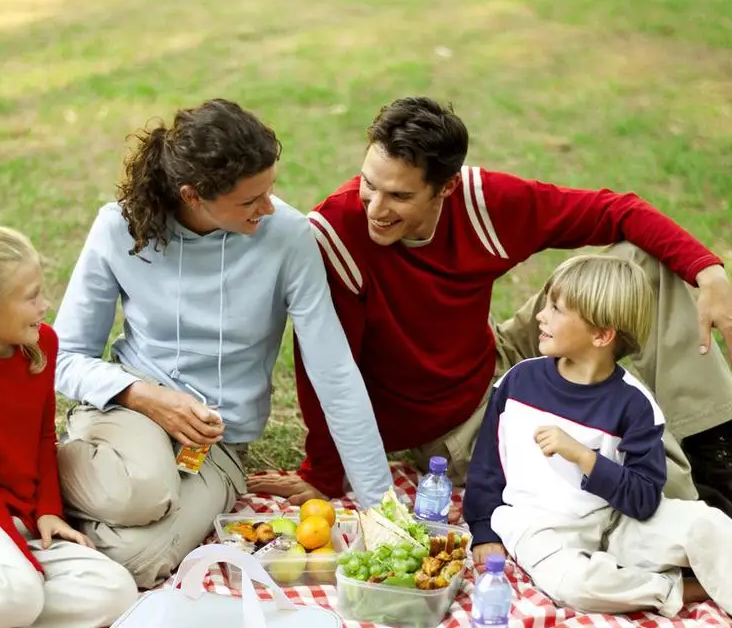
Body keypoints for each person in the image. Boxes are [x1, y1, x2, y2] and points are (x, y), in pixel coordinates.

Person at [249, 96, 732, 515]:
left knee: (644, 258)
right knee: (597, 452)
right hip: (452, 424)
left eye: (399, 195)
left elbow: (616, 210)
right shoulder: (337, 235)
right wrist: (324, 473)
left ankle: (714, 443)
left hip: (496, 356)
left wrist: (709, 272)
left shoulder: (483, 204)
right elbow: (327, 369)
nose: (375, 207)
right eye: (368, 184)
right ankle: (688, 509)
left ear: (446, 189)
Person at [54, 99, 391, 588]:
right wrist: (144, 396)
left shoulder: (289, 238)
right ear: (193, 195)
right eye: (251, 199)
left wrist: (380, 507)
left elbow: (334, 370)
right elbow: (64, 357)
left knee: (139, 562)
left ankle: (67, 516)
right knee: (143, 491)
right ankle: (36, 476)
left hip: (216, 445)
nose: (268, 207)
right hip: (131, 411)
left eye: (270, 189)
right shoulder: (120, 228)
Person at [463, 254, 731, 617]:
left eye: (557, 310)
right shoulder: (518, 383)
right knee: (576, 587)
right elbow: (485, 469)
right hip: (538, 529)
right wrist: (484, 531)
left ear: (602, 334)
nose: (541, 316)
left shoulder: (635, 405)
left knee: (709, 522)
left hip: (617, 523)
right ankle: (678, 589)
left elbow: (644, 501)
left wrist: (584, 457)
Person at [0, 223, 137, 628]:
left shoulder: (40, 344)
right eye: (31, 297)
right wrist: (27, 565)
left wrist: (47, 511)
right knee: (20, 591)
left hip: (15, 516)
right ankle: (3, 597)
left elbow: (44, 437)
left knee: (116, 590)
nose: (46, 305)